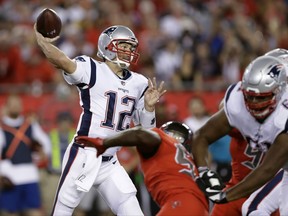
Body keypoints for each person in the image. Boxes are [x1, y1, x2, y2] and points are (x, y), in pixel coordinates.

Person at [34, 23, 166, 216]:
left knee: (132, 209)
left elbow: (147, 131)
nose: (129, 51)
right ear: (107, 46)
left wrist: (149, 107)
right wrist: (42, 42)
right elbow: (62, 60)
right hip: (84, 154)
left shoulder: (139, 82)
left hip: (111, 160)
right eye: (124, 46)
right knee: (62, 211)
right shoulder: (92, 68)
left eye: (131, 47)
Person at [191, 55, 288, 214]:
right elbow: (201, 136)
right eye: (249, 96)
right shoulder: (236, 104)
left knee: (253, 209)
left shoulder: (283, 117)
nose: (254, 103)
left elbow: (267, 169)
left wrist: (225, 195)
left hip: (277, 171)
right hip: (268, 174)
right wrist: (204, 172)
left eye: (261, 97)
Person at [75, 121, 209, 216]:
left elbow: (140, 134)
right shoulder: (186, 158)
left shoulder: (164, 142)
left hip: (181, 203)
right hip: (200, 206)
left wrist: (104, 143)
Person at [0, 94, 51, 216]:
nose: (16, 106)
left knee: (34, 211)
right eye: (12, 103)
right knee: (10, 212)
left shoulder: (31, 124)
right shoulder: (1, 127)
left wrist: (41, 155)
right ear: (6, 106)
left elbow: (45, 144)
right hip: (10, 176)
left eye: (18, 103)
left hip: (30, 175)